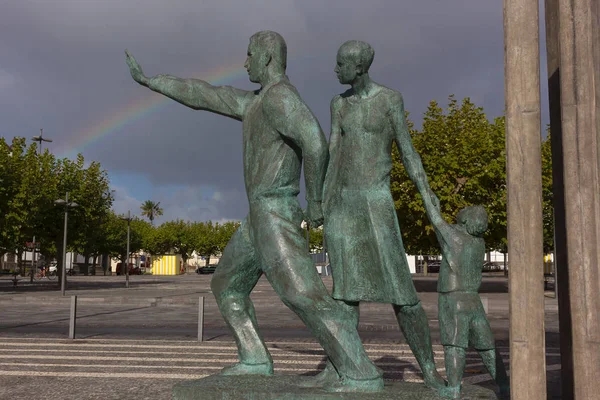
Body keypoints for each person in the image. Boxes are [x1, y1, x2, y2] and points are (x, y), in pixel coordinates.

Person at [125, 31, 383, 392]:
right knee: (227, 286)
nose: (244, 62)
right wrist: (153, 81)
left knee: (303, 295)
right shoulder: (256, 102)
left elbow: (314, 141)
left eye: (249, 55)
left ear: (267, 58)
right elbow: (206, 95)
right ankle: (255, 358)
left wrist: (317, 201)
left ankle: (360, 371)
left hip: (275, 212)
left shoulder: (280, 98)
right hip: (256, 217)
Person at [314, 40, 445, 390]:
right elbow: (333, 151)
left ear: (359, 67)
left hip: (376, 202)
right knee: (343, 293)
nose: (336, 69)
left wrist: (428, 197)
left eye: (341, 64)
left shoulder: (389, 99)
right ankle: (339, 365)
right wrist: (319, 202)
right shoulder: (337, 104)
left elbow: (407, 150)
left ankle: (429, 369)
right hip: (343, 202)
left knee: (403, 295)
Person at [422, 194, 510, 399]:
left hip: (453, 298)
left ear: (467, 220)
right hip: (474, 299)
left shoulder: (455, 236)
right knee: (487, 346)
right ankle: (504, 386)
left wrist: (427, 196)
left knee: (454, 344)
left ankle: (453, 388)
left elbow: (435, 219)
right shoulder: (480, 243)